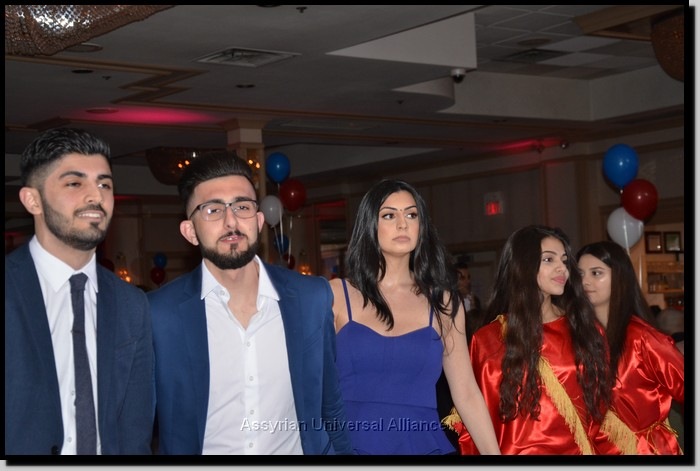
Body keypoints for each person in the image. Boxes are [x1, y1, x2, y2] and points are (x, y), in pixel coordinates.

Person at [148, 151, 353, 455]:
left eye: (242, 207)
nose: (231, 221)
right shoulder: (158, 314)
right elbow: (136, 425)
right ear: (190, 232)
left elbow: (330, 406)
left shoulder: (310, 299)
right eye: (213, 210)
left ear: (258, 221)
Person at [5, 128, 155, 455]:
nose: (95, 197)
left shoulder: (131, 304)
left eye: (104, 184)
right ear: (32, 200)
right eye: (75, 183)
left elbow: (135, 427)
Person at [329, 179, 500, 455]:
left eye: (411, 215)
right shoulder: (337, 295)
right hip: (350, 445)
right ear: (370, 225)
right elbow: (310, 383)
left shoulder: (444, 303)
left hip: (423, 446)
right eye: (389, 215)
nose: (403, 224)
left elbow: (467, 392)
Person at [444, 225, 613, 454]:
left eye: (564, 260)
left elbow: (602, 409)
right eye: (549, 260)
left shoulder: (585, 329)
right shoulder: (488, 340)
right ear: (523, 265)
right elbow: (476, 417)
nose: (562, 268)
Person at [577, 241, 684, 455]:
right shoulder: (580, 336)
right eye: (579, 274)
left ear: (620, 277)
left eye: (596, 273)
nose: (585, 281)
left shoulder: (643, 338)